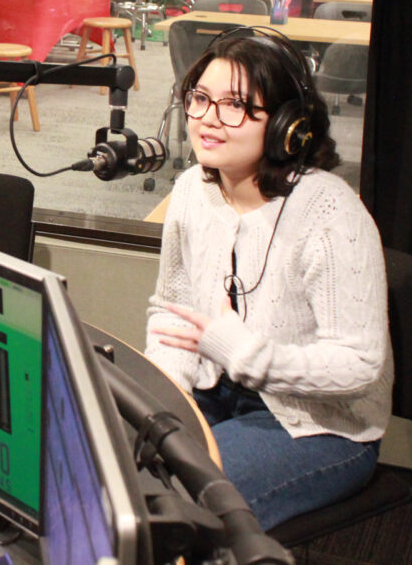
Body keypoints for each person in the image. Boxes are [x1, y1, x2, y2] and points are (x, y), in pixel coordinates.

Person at [144, 28, 392, 530]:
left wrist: (245, 354)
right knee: (115, 466)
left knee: (178, 504)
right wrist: (164, 399)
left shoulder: (330, 213)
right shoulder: (191, 190)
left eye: (235, 105)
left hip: (318, 425)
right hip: (214, 392)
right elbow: (173, 313)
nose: (208, 118)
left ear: (286, 126)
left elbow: (361, 365)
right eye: (200, 99)